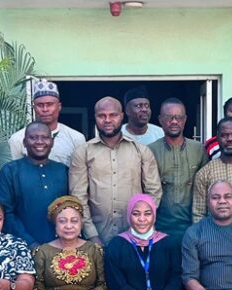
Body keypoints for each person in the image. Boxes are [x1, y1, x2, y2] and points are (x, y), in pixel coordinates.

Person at [69, 96, 163, 245]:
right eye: (102, 116)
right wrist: (91, 234)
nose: (107, 120)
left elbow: (154, 192)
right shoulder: (83, 153)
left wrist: (141, 224)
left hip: (136, 236)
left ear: (121, 116)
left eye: (113, 115)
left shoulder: (141, 151)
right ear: (95, 117)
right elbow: (78, 197)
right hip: (98, 236)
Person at [0, 121, 70, 249]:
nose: (39, 142)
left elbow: (72, 209)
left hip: (61, 248)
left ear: (52, 142)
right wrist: (30, 243)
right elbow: (5, 213)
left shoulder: (63, 171)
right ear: (25, 142)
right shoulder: (10, 171)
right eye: (33, 137)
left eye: (45, 137)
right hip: (21, 249)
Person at [147, 98, 206, 241]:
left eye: (178, 117)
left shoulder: (198, 149)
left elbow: (206, 187)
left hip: (193, 228)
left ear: (185, 120)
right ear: (160, 119)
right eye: (169, 117)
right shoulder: (150, 150)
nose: (174, 121)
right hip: (159, 228)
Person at [8, 78, 87, 166]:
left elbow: (79, 174)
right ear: (34, 108)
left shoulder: (76, 138)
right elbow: (14, 171)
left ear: (59, 107)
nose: (45, 109)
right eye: (40, 105)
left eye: (50, 104)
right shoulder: (18, 139)